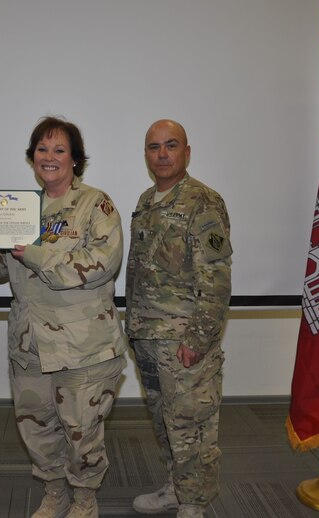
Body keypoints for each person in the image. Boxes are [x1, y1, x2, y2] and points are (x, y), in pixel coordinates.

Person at [0, 116, 127, 518]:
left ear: (75, 159)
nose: (50, 157)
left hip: (83, 347)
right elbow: (7, 268)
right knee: (37, 428)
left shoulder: (97, 204)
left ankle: (84, 498)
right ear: (32, 158)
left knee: (82, 432)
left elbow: (100, 264)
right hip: (30, 344)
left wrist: (35, 253)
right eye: (42, 149)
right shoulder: (21, 210)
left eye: (59, 150)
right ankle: (54, 491)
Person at [125, 120, 233, 518]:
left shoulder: (203, 202)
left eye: (171, 145)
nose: (162, 154)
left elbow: (217, 279)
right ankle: (175, 486)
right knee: (165, 423)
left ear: (187, 151)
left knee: (193, 427)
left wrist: (198, 340)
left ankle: (194, 503)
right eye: (154, 147)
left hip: (184, 339)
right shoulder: (146, 200)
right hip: (148, 336)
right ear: (147, 155)